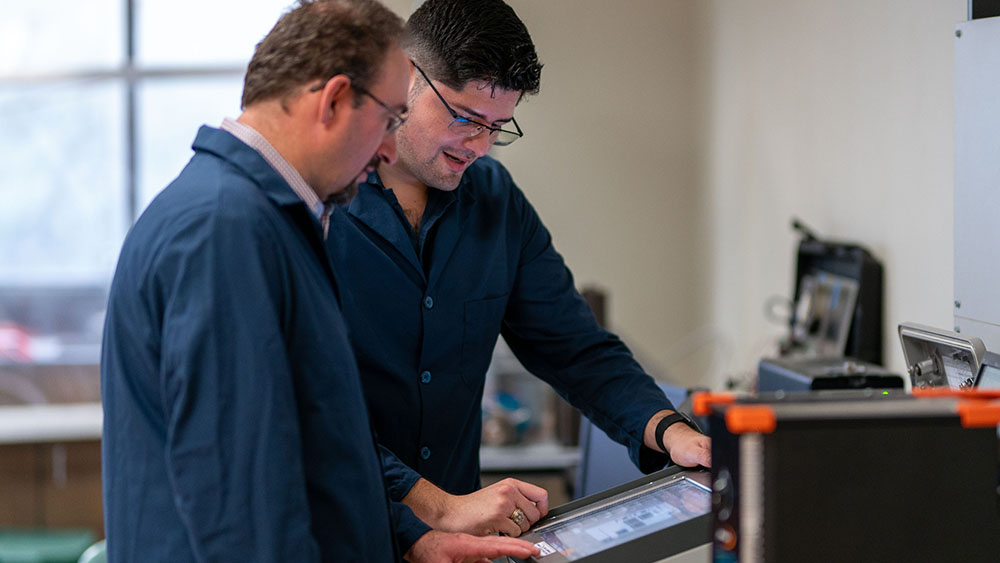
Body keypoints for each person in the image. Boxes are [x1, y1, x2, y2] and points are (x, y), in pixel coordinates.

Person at [100, 0, 538, 561]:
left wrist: (415, 540)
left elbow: (309, 447)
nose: (386, 150)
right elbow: (243, 503)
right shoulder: (225, 228)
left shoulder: (266, 218)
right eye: (389, 120)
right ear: (333, 100)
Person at [325, 0, 712, 538]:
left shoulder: (496, 202)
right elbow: (306, 409)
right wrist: (424, 506)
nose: (480, 148)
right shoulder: (319, 207)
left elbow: (573, 346)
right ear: (405, 79)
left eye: (498, 127)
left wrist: (666, 429)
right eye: (464, 118)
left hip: (462, 544)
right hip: (342, 530)